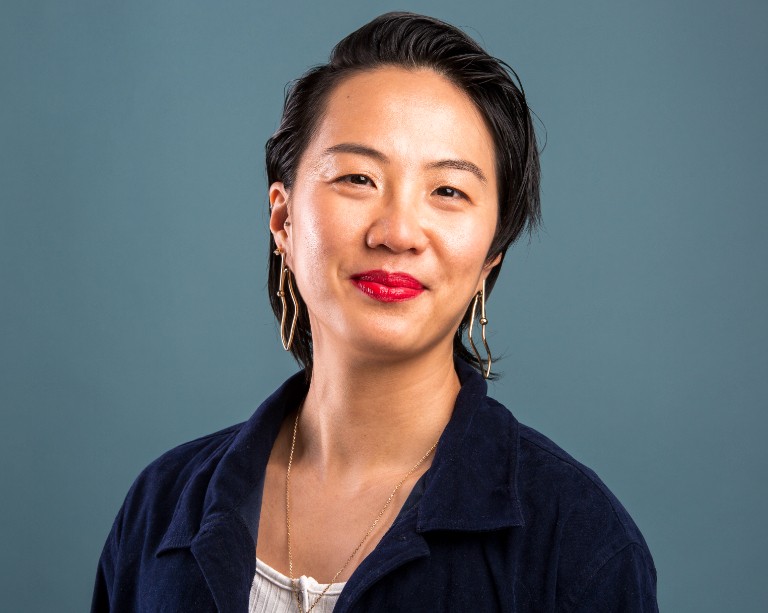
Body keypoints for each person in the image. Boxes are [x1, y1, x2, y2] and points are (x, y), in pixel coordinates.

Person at [92, 12, 658, 613]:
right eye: (358, 178)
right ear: (283, 219)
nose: (397, 232)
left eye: (448, 191)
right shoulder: (161, 506)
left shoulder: (578, 542)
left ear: (492, 253)